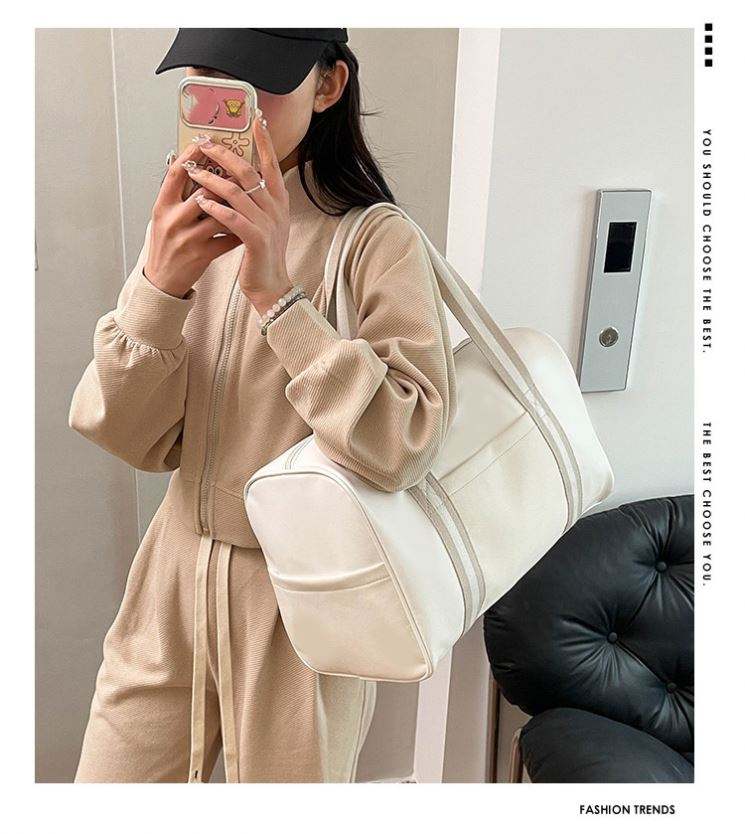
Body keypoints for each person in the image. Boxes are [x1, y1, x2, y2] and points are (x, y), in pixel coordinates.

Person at [69, 28, 456, 783]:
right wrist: (159, 288)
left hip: (304, 599)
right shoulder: (185, 221)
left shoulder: (377, 242)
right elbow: (126, 434)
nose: (232, 107)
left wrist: (278, 296)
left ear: (328, 85)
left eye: (259, 82)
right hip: (171, 583)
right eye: (210, 77)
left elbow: (406, 442)